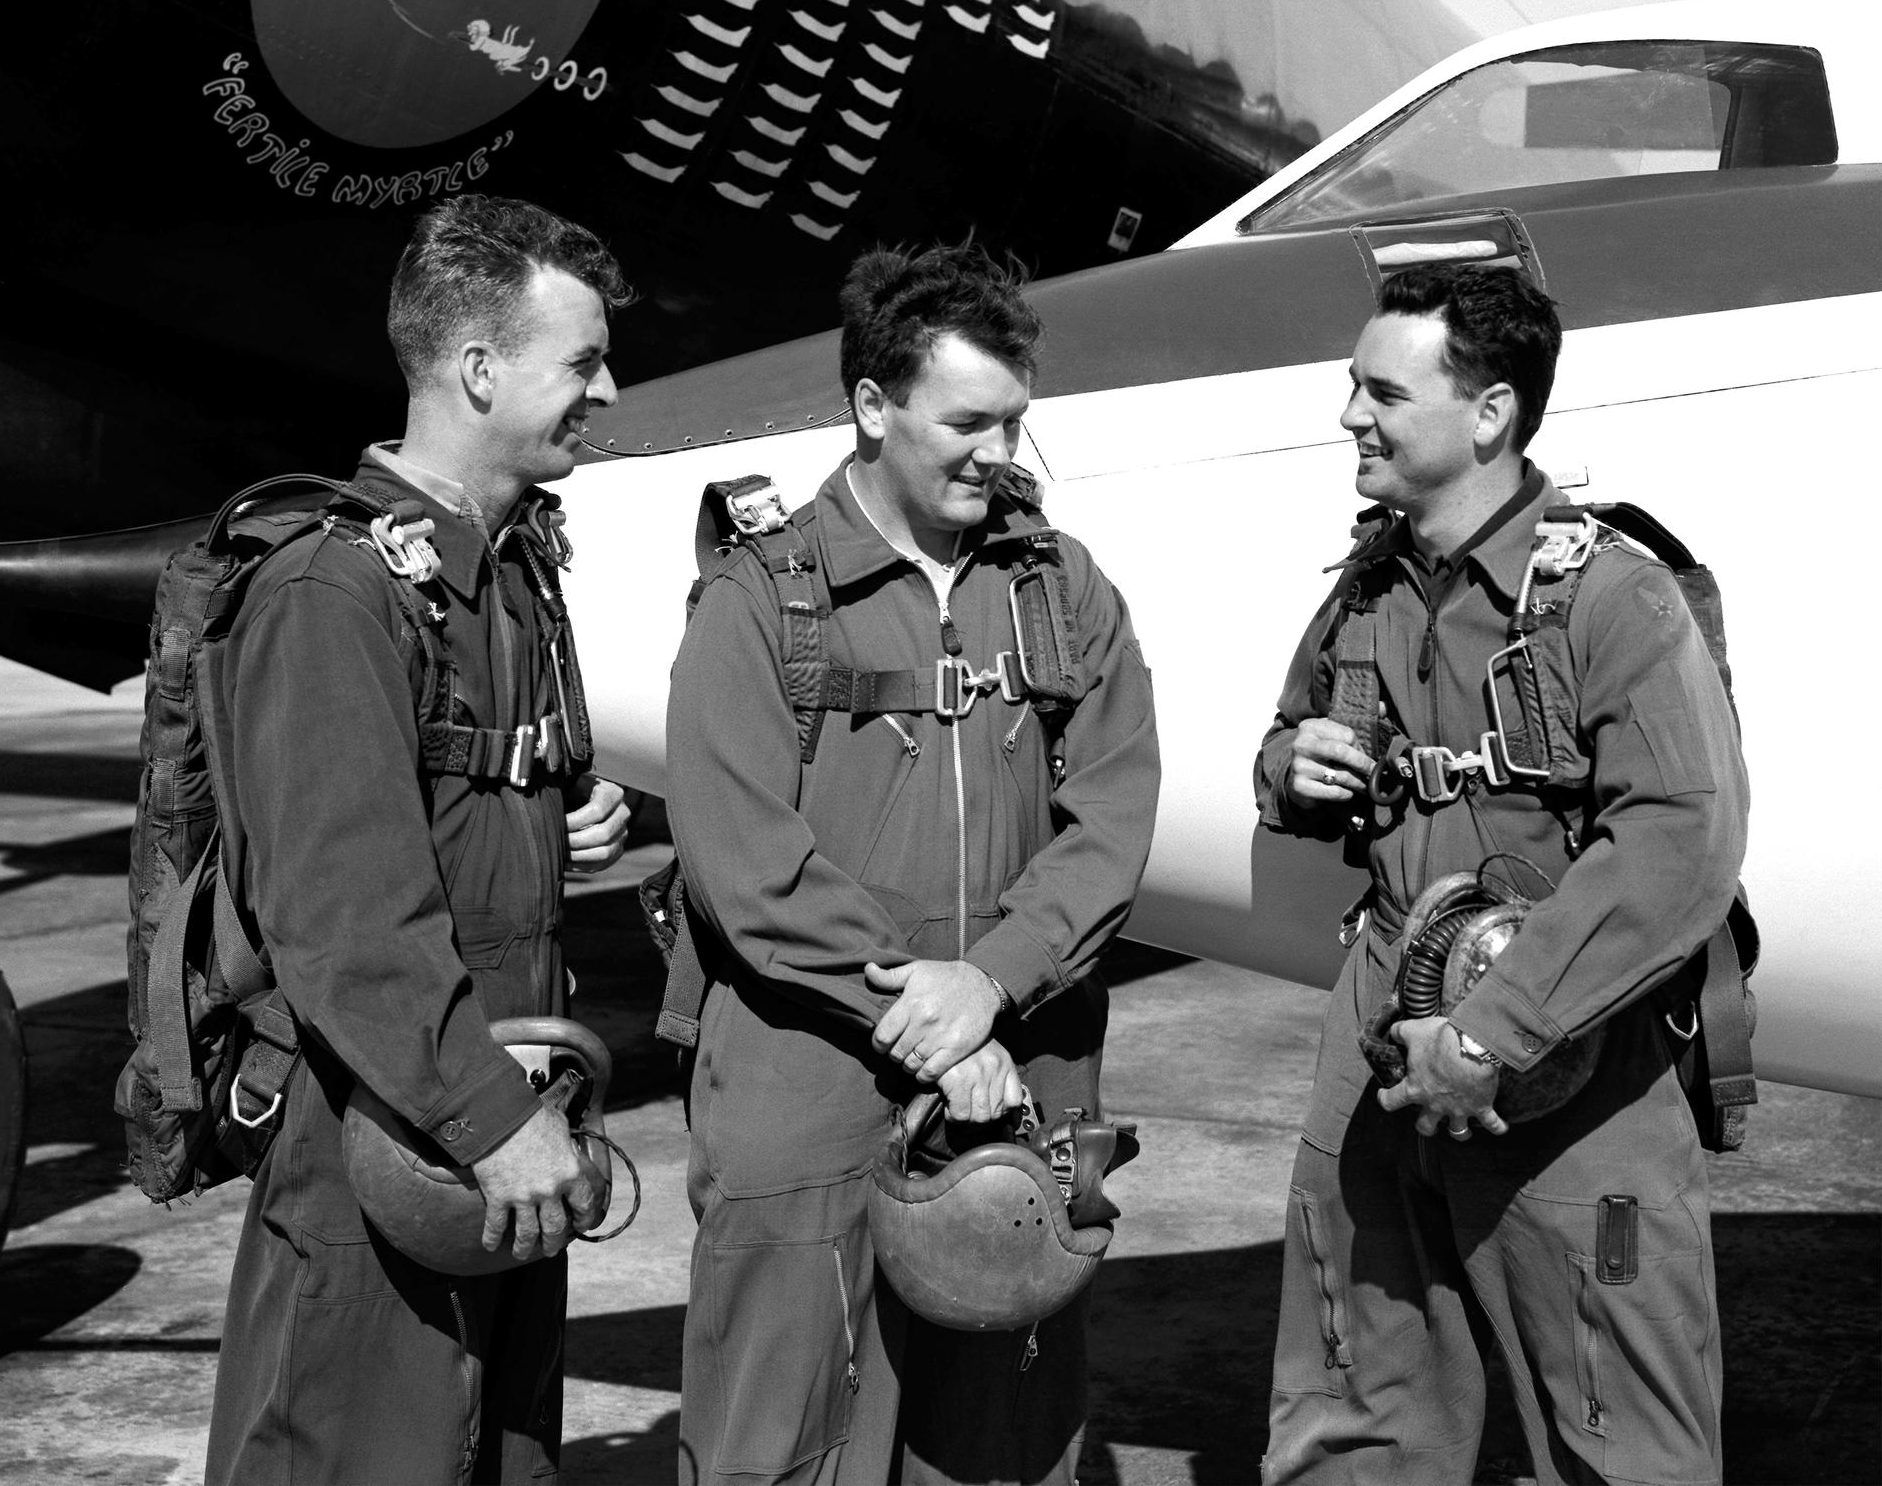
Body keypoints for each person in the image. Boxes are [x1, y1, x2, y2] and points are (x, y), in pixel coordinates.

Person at [665, 243, 1161, 1485]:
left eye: (1015, 423)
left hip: (1018, 1091)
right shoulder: (761, 598)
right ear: (873, 406)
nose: (999, 454)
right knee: (779, 1450)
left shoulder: (1059, 587)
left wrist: (990, 982)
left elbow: (1112, 813)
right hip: (808, 1089)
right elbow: (744, 859)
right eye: (967, 421)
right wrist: (930, 1012)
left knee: (1000, 1448)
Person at [1253, 262, 1749, 1484]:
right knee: (1352, 1402)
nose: (1350, 417)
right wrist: (1290, 763)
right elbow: (1284, 738)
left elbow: (1681, 836)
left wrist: (1489, 1035)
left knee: (1617, 1426)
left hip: (1571, 1074)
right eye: (1351, 388)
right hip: (1379, 1044)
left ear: (1490, 413)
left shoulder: (1610, 594)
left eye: (1380, 391)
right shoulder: (1368, 583)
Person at [204, 195, 634, 1485]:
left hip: (494, 1134)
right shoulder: (333, 590)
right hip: (385, 1139)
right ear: (480, 368)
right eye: (583, 362)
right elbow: (344, 917)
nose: (607, 391)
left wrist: (549, 829)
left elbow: (433, 823)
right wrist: (491, 1120)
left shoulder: (510, 568)